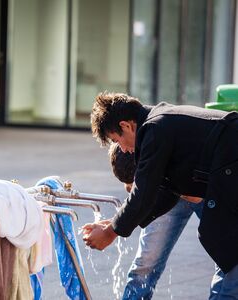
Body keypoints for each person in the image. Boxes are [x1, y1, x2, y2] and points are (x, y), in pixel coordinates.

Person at [82, 92, 238, 298]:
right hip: (227, 179)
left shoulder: (154, 129)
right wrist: (113, 223)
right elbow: (166, 192)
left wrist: (110, 233)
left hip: (230, 175)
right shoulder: (160, 122)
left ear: (126, 126)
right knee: (228, 256)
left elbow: (143, 193)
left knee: (227, 254)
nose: (123, 149)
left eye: (116, 140)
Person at [109, 143, 211, 299]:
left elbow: (195, 197)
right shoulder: (133, 141)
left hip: (204, 180)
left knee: (229, 260)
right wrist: (116, 222)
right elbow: (132, 189)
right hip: (166, 180)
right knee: (145, 263)